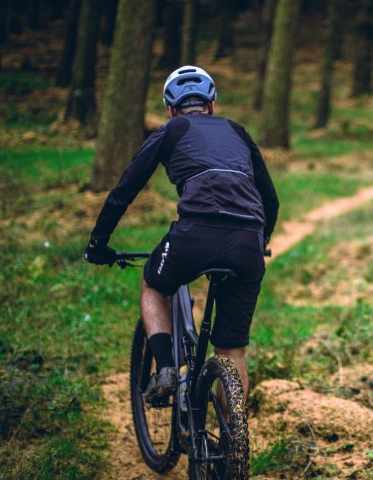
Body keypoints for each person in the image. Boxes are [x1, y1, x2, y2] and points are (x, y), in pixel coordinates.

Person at [85, 65, 279, 403]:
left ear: (171, 109)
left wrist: (98, 243)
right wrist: (260, 242)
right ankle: (233, 444)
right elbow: (271, 200)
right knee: (232, 349)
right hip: (248, 240)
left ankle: (166, 370)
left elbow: (124, 190)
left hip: (194, 235)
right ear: (212, 105)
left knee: (153, 283)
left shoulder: (171, 129)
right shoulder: (237, 131)